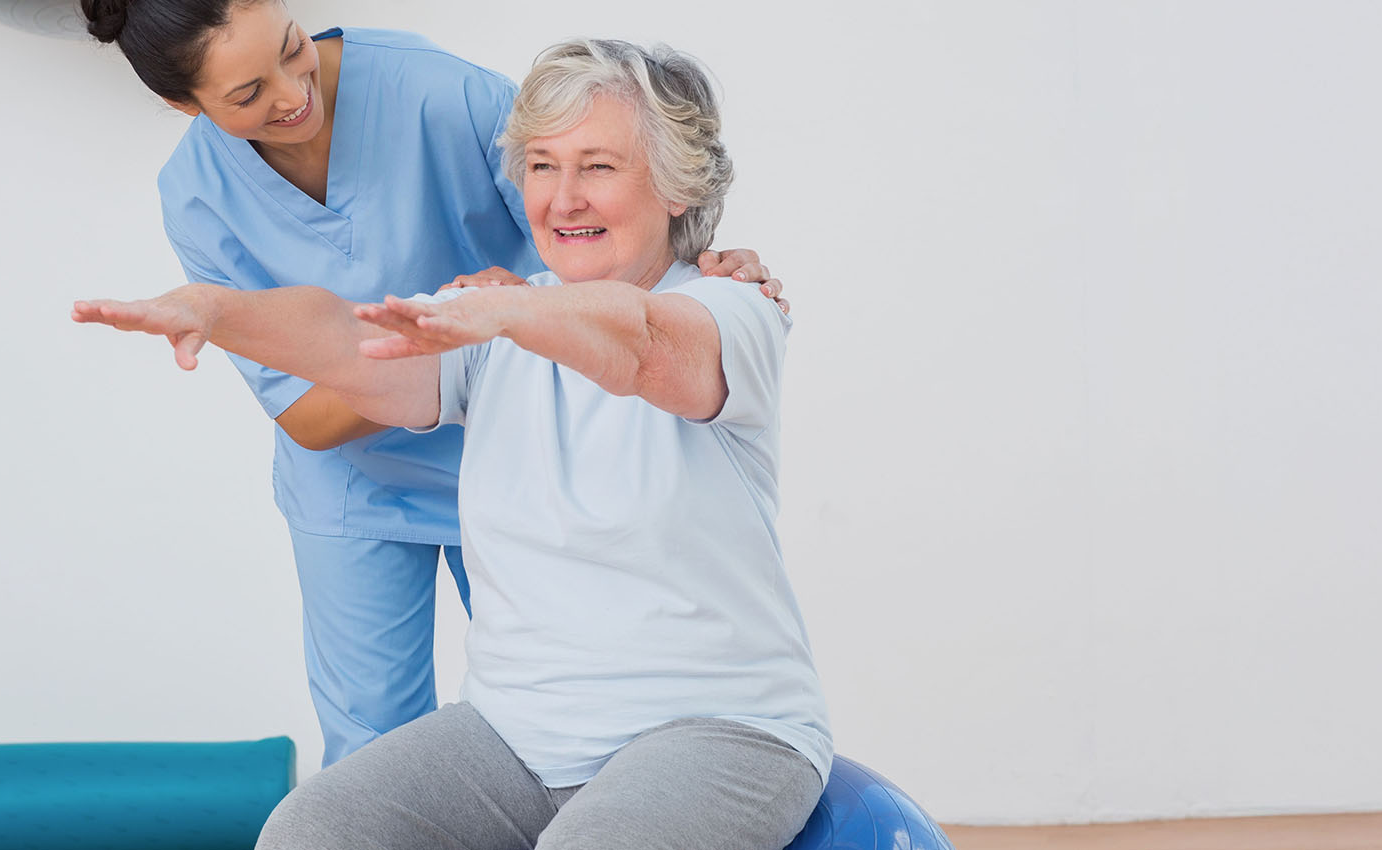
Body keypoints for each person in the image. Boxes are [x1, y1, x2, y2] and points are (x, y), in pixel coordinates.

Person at [75, 37, 829, 850]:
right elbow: (344, 340)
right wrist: (220, 312)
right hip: (515, 739)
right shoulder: (496, 320)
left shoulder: (730, 310)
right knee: (314, 828)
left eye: (598, 167)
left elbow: (642, 344)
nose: (563, 198)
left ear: (676, 186)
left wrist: (508, 314)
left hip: (713, 729)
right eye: (542, 166)